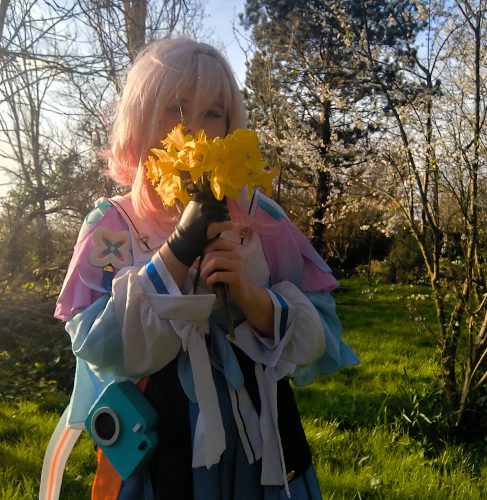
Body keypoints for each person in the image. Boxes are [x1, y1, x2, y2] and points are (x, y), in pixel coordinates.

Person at [44, 37, 360, 500]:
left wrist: (250, 296)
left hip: (261, 447)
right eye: (175, 108)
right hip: (159, 449)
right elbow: (98, 347)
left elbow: (321, 333)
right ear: (141, 117)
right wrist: (175, 253)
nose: (193, 128)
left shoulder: (260, 217)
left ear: (231, 126)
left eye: (213, 112)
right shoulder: (114, 224)